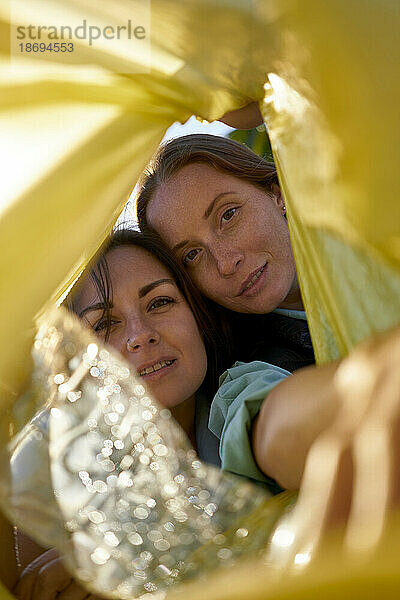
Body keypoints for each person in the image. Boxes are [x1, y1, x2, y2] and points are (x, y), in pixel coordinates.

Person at [136, 133, 315, 373]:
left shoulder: (373, 234)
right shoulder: (261, 375)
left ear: (276, 193)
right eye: (192, 254)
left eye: (228, 215)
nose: (225, 264)